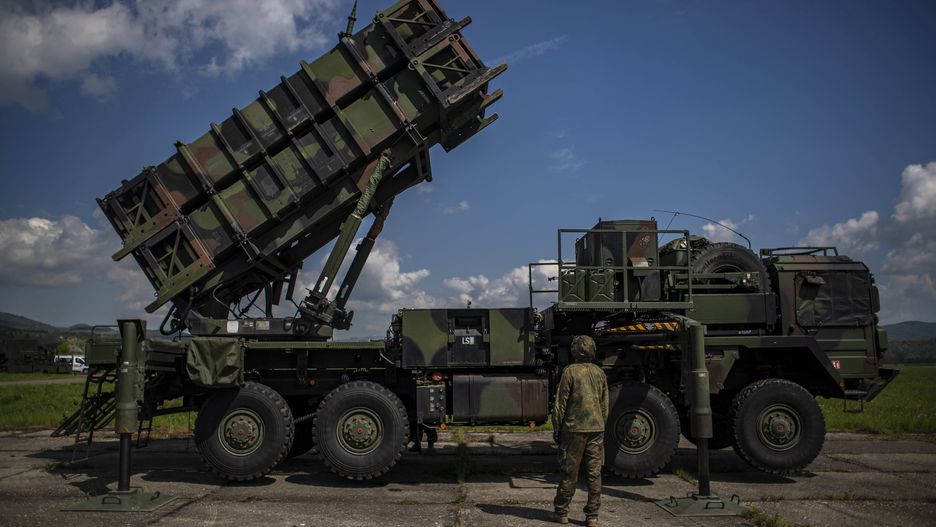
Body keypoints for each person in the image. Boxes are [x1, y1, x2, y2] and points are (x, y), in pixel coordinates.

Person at [552, 335, 609, 526]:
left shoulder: (570, 372)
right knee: (594, 473)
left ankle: (562, 512)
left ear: (575, 350)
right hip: (596, 428)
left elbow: (561, 404)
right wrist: (601, 424)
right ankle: (592, 515)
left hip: (574, 428)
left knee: (570, 472)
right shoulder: (600, 373)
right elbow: (604, 404)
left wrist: (557, 428)